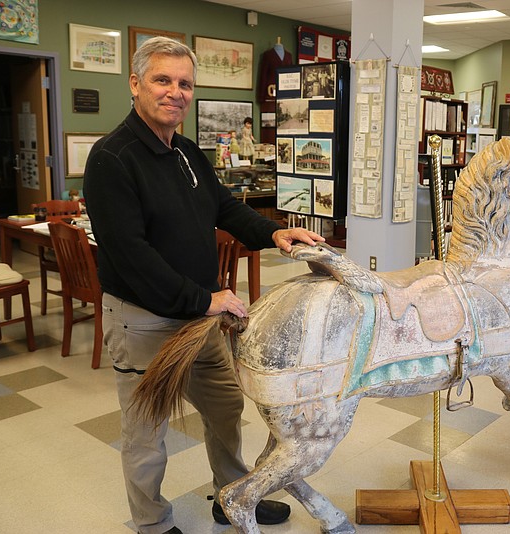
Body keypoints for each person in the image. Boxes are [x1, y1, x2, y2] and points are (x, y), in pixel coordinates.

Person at [84, 36, 324, 534]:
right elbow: (132, 257)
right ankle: (151, 523)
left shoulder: (188, 152)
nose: (175, 92)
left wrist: (273, 231)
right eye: (163, 80)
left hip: (201, 318)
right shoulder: (112, 158)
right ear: (135, 84)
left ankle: (232, 498)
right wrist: (206, 298)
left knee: (225, 407)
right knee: (146, 432)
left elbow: (225, 208)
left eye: (184, 83)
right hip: (145, 320)